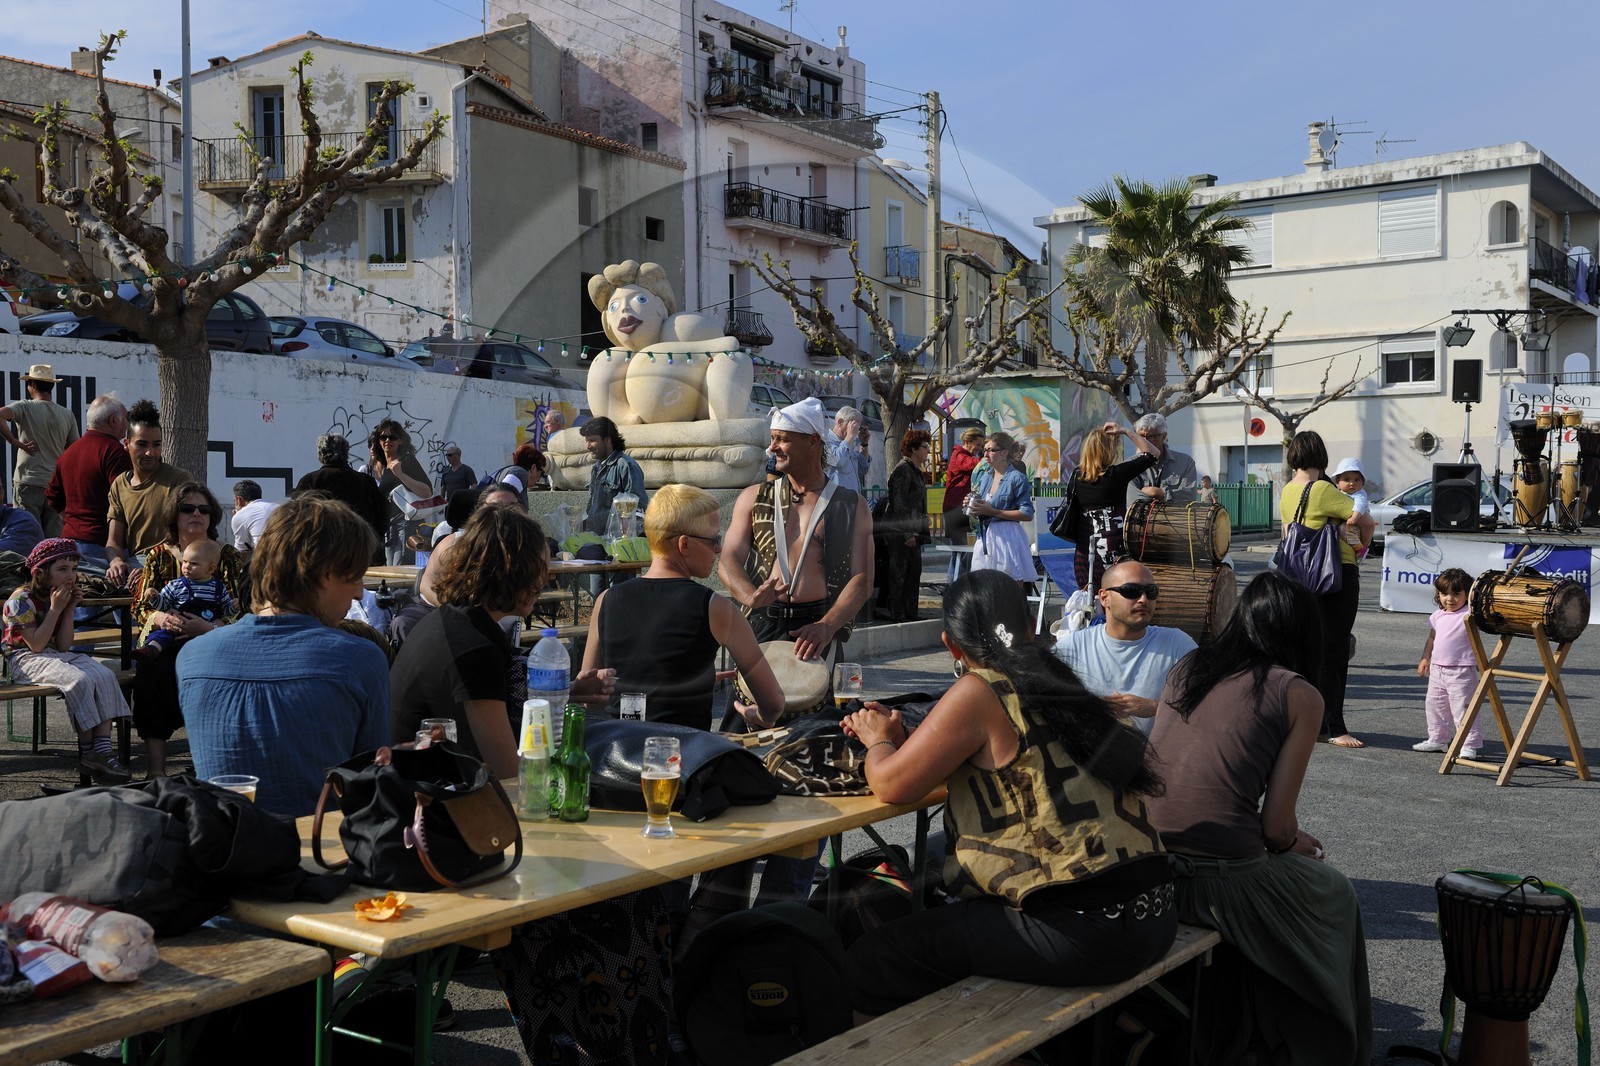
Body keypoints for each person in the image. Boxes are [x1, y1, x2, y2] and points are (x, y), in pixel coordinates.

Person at [840, 570, 1175, 1019]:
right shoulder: (1062, 683)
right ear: (1030, 627)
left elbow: (891, 784)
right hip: (1155, 912)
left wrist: (877, 738)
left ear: (950, 644)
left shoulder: (979, 689)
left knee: (874, 956)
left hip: (1084, 930)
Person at [1148, 571, 1371, 1064]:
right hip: (1215, 879)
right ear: (1303, 633)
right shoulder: (1299, 693)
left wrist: (1279, 838)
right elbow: (1275, 829)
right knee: (1334, 894)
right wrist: (1293, 842)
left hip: (1146, 861)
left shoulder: (1188, 667)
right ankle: (1331, 1039)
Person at [176, 495, 389, 817]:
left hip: (222, 851)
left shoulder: (192, 655)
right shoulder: (360, 659)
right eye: (355, 575)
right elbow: (371, 788)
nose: (360, 591)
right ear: (326, 575)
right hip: (324, 855)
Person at [390, 505, 615, 779]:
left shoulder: (453, 622)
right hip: (429, 803)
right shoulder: (472, 646)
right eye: (539, 568)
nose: (544, 580)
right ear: (512, 571)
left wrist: (568, 692)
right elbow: (506, 771)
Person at [583, 484, 783, 730]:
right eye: (714, 539)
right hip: (684, 756)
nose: (719, 548)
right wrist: (761, 716)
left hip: (620, 748)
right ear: (684, 545)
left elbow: (589, 696)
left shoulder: (605, 599)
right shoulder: (715, 607)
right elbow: (773, 702)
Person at [720, 397, 873, 665]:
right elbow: (727, 559)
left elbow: (862, 579)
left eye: (782, 439)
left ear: (813, 442)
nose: (772, 448)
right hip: (762, 621)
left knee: (822, 707)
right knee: (751, 706)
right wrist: (749, 596)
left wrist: (828, 625)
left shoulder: (851, 505)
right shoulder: (753, 498)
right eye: (772, 438)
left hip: (817, 627)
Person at [131, 482, 251, 778]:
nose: (196, 514)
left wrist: (210, 627)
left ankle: (209, 764)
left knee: (218, 676)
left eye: (204, 509)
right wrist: (160, 618)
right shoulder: (158, 555)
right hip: (167, 642)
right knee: (150, 675)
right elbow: (139, 605)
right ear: (174, 514)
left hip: (215, 640)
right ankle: (156, 771)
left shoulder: (226, 556)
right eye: (188, 508)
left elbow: (244, 605)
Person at [2, 538, 133, 783]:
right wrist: (55, 610)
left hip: (54, 654)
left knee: (104, 674)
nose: (71, 576)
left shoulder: (60, 596)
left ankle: (103, 751)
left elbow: (63, 645)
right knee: (79, 680)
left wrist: (69, 609)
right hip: (25, 658)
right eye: (62, 569)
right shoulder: (20, 601)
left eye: (74, 569)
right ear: (40, 573)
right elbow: (37, 645)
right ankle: (88, 752)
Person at [1281, 430, 1373, 749]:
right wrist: (1362, 547)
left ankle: (1305, 721)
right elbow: (1366, 521)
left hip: (1300, 579)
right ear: (1321, 456)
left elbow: (1286, 533)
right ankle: (1334, 726)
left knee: (1308, 651)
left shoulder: (1287, 491)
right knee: (1335, 652)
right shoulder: (1322, 489)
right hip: (1335, 575)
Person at [1053, 560, 1196, 737]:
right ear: (1105, 598)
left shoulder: (1177, 644)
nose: (1143, 599)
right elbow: (1046, 706)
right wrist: (1090, 708)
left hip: (1157, 760)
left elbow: (1209, 707)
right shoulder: (1072, 648)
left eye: (1151, 592)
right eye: (1131, 591)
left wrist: (1154, 707)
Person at [105, 399, 193, 589]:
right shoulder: (120, 484)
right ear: (126, 444)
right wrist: (116, 562)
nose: (150, 453)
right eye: (142, 444)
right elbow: (113, 542)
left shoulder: (179, 479)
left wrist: (154, 568)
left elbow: (193, 536)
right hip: (134, 566)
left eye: (156, 445)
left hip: (174, 565)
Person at [1068, 422, 1160, 593]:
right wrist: (1125, 431)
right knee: (1118, 596)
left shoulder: (1077, 477)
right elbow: (1153, 453)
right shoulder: (1116, 474)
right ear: (1107, 450)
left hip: (1086, 550)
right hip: (1114, 549)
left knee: (1092, 598)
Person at [44, 395, 130, 576]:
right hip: (103, 547)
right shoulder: (114, 452)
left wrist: (73, 520)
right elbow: (126, 499)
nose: (127, 424)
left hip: (70, 544)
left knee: (78, 600)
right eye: (125, 418)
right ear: (114, 420)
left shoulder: (69, 452)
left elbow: (52, 495)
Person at [0, 364, 80, 536]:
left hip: (28, 481)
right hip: (56, 485)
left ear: (32, 385)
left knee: (26, 536)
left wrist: (14, 441)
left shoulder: (25, 406)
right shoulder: (67, 414)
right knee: (52, 541)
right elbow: (75, 448)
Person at [1414, 568, 1483, 759]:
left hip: (1461, 670)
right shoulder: (1438, 615)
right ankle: (1437, 739)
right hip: (1437, 669)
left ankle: (1469, 744)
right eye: (1444, 594)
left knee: (1463, 707)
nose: (1449, 599)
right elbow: (1431, 639)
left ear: (1467, 595)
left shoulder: (1470, 614)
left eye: (1456, 594)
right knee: (1435, 705)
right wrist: (1425, 658)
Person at [294, 434, 389, 561]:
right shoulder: (365, 481)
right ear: (346, 452)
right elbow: (382, 516)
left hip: (322, 553)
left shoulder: (310, 480)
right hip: (359, 551)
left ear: (321, 453)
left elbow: (297, 518)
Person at [136, 539, 235, 660]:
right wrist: (154, 597)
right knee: (162, 635)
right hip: (177, 628)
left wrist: (233, 607)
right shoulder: (176, 585)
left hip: (206, 631)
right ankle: (151, 649)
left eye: (194, 564)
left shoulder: (218, 588)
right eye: (185, 562)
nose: (187, 566)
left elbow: (226, 611)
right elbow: (163, 605)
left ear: (210, 569)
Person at [873, 430, 931, 622]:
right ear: (914, 449)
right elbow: (899, 505)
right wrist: (908, 534)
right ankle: (896, 612)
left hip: (912, 530)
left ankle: (910, 612)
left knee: (913, 571)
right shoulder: (903, 470)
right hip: (898, 532)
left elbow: (918, 503)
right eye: (924, 446)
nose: (928, 450)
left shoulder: (916, 471)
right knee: (899, 572)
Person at [967, 431, 1035, 587]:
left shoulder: (1017, 478)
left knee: (1010, 585)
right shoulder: (986, 477)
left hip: (1008, 537)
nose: (986, 454)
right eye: (984, 450)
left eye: (991, 450)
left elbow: (1027, 513)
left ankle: (1014, 611)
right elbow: (984, 507)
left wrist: (994, 512)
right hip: (986, 536)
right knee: (986, 587)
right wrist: (973, 506)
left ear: (1004, 453)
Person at [367, 419, 431, 565]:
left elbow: (427, 491)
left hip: (406, 526)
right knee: (392, 573)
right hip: (390, 529)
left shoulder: (406, 460)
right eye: (383, 437)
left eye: (393, 437)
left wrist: (401, 474)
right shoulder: (384, 466)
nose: (387, 440)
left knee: (401, 572)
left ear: (400, 440)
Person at [581, 417, 646, 534]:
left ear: (607, 440)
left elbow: (638, 509)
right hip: (597, 537)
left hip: (616, 541)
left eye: (592, 440)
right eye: (586, 441)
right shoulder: (597, 468)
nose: (588, 446)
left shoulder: (625, 466)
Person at [942, 428, 983, 582]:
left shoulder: (962, 454)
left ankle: (952, 583)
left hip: (961, 508)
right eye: (977, 444)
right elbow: (972, 464)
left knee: (959, 551)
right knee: (962, 550)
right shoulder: (959, 455)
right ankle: (956, 584)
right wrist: (990, 457)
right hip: (956, 508)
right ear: (967, 442)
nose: (979, 448)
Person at [1131, 412, 1200, 504]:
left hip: (1175, 517)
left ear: (1164, 436)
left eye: (1151, 436)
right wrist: (1169, 495)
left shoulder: (1185, 462)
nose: (1145, 441)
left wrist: (1155, 492)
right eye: (1141, 436)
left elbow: (1188, 496)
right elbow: (1131, 499)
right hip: (1141, 517)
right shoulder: (1129, 464)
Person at [1330, 457, 1373, 559]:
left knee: (1347, 531)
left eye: (1357, 480)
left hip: (1357, 522)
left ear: (1362, 482)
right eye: (1346, 479)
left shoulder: (1359, 494)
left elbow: (1360, 505)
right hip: (1347, 521)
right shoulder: (1339, 493)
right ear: (1337, 481)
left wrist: (1354, 517)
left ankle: (1361, 549)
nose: (1352, 483)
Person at [481, 443, 546, 509]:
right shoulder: (520, 473)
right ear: (533, 467)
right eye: (542, 473)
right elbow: (504, 496)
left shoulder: (509, 471)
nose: (539, 479)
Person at [230, 479, 276, 557]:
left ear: (239, 500)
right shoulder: (277, 507)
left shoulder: (240, 515)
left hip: (269, 561)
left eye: (234, 501)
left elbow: (240, 552)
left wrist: (238, 517)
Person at [829, 406, 863, 492]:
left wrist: (864, 444)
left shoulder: (848, 442)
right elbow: (837, 460)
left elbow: (863, 469)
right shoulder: (826, 440)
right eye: (852, 426)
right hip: (836, 500)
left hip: (852, 500)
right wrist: (850, 436)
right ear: (840, 422)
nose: (854, 430)